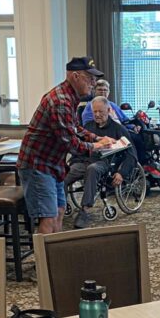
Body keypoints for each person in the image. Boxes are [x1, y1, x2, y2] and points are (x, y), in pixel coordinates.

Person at [17, 57, 116, 235]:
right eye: (90, 78)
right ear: (75, 76)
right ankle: (44, 262)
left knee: (60, 211)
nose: (93, 84)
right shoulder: (60, 101)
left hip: (52, 164)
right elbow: (70, 143)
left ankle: (54, 257)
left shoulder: (70, 97)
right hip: (37, 164)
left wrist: (96, 138)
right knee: (48, 217)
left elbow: (74, 128)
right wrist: (97, 146)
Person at [66, 96, 136, 229]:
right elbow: (79, 145)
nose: (97, 115)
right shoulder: (88, 126)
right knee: (63, 174)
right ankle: (59, 208)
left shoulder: (118, 129)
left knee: (92, 169)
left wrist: (122, 173)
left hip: (105, 163)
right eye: (95, 112)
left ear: (109, 110)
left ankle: (85, 210)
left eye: (101, 112)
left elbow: (132, 155)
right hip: (84, 160)